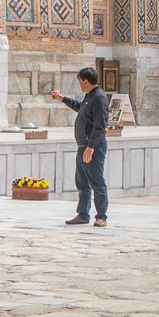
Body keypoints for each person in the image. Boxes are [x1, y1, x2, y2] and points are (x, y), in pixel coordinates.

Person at [51, 68, 111, 226]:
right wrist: (62, 98)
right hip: (83, 146)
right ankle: (83, 214)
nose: (79, 85)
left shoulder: (99, 98)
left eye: (80, 81)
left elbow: (100, 126)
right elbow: (80, 108)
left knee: (97, 181)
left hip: (93, 147)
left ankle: (101, 217)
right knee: (82, 182)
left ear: (86, 81)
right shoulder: (90, 96)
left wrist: (90, 147)